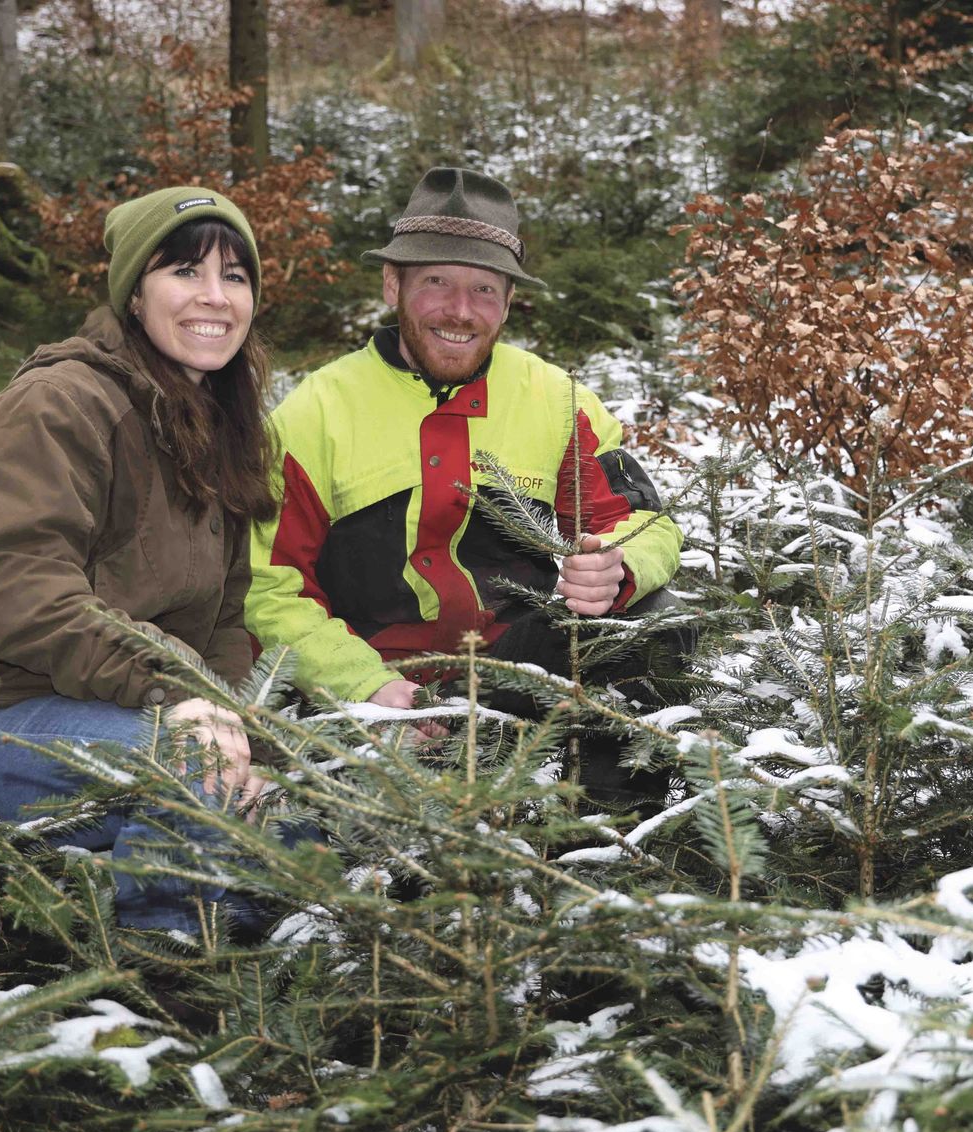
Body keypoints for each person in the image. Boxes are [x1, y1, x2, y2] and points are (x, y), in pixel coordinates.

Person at [0, 186, 289, 936]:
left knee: (296, 817)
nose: (214, 297)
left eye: (235, 276)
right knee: (189, 769)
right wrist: (177, 698)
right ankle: (161, 998)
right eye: (185, 272)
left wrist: (240, 736)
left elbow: (222, 625)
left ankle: (248, 999)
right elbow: (9, 591)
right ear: (133, 294)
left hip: (117, 719)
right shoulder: (59, 405)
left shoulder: (221, 428)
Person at [246, 166, 688, 803]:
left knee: (657, 622)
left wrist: (618, 569)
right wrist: (361, 683)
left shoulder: (557, 400)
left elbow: (646, 522)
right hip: (383, 691)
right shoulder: (314, 414)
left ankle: (599, 847)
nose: (460, 311)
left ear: (509, 300)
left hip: (521, 665)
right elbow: (268, 587)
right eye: (435, 283)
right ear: (392, 284)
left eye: (484, 289)